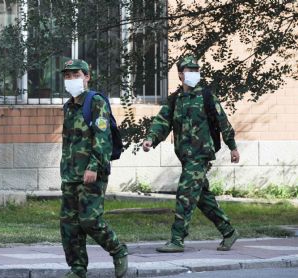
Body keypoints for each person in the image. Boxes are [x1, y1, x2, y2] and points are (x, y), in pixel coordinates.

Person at [142, 55, 240, 253]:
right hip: (186, 157)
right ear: (180, 75)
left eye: (196, 70)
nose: (194, 74)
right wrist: (151, 139)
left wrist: (233, 146)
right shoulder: (175, 100)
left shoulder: (206, 96)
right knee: (202, 198)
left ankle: (177, 239)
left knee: (185, 195)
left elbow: (223, 122)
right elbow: (162, 122)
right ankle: (228, 231)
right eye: (189, 70)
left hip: (201, 155)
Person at [60, 59, 128, 278]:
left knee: (90, 220)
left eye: (76, 75)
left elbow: (102, 137)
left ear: (87, 76)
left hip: (92, 173)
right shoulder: (69, 106)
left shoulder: (96, 101)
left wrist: (93, 167)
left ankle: (117, 249)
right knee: (70, 224)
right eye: (67, 76)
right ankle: (78, 268)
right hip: (71, 174)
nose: (71, 79)